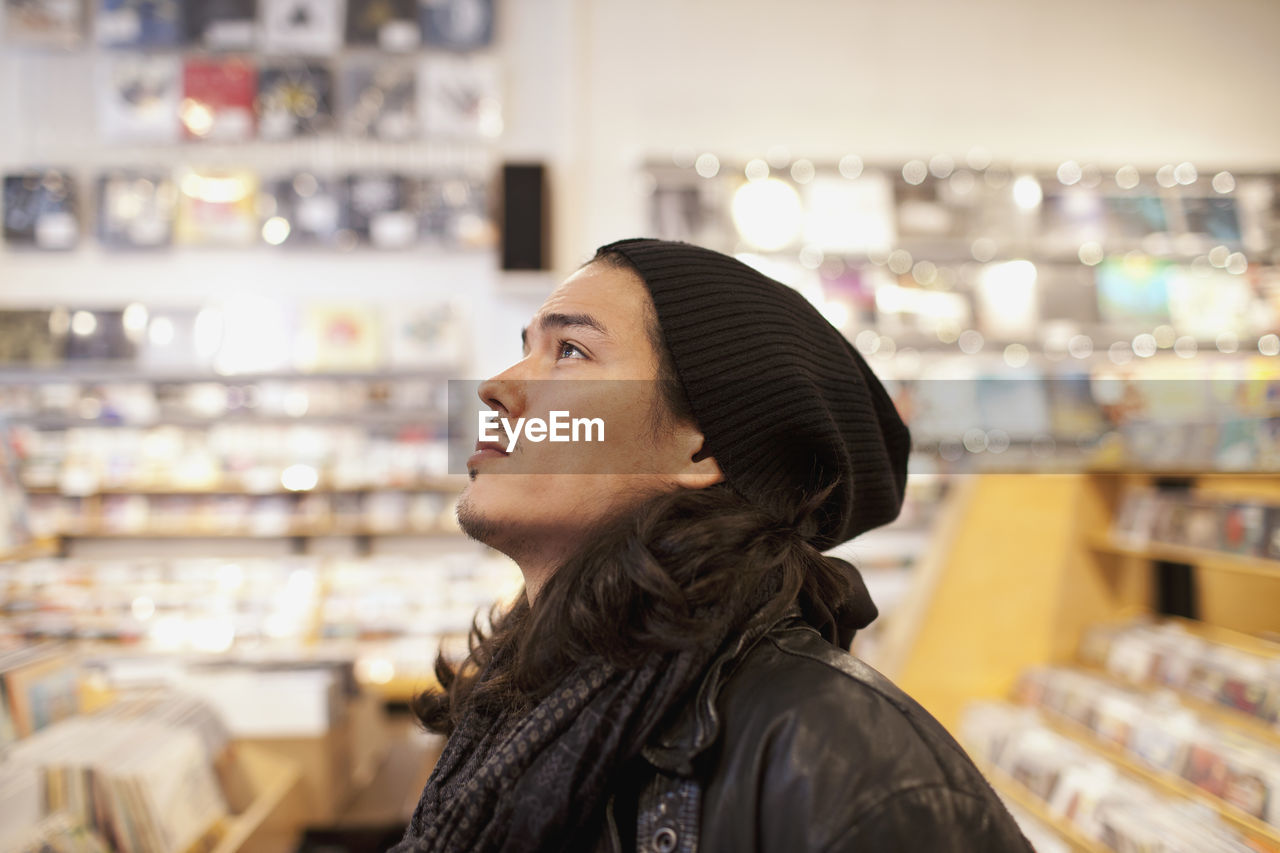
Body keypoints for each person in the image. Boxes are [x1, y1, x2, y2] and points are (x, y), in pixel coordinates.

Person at [391, 238, 1035, 852]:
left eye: (571, 351)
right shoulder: (519, 701)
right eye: (527, 347)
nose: (496, 387)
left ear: (701, 445)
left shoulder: (853, 769)